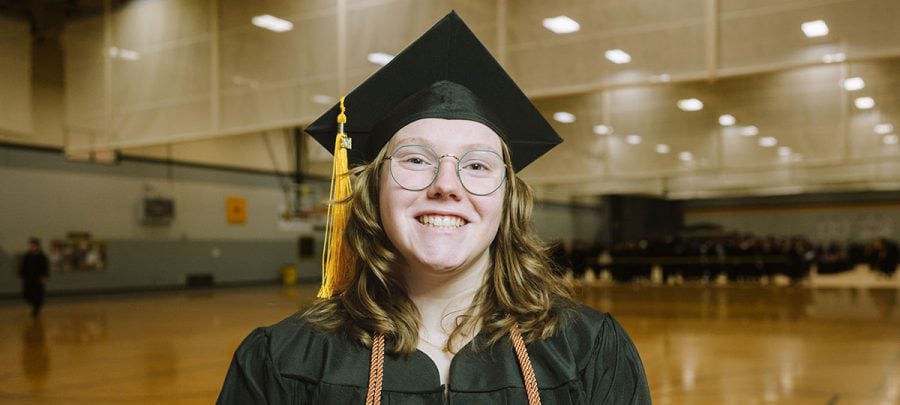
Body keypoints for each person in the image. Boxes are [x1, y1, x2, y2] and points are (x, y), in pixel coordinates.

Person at [218, 11, 650, 404]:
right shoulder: (282, 361)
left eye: (477, 165)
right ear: (374, 189)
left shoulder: (589, 351)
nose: (446, 186)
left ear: (507, 197)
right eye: (416, 160)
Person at [19, 237, 49, 317]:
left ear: (37, 246)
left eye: (32, 246)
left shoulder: (42, 256)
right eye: (30, 246)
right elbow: (23, 266)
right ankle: (34, 306)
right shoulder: (27, 255)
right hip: (28, 279)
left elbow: (45, 267)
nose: (31, 247)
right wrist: (22, 274)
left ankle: (36, 308)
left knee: (38, 295)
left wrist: (45, 276)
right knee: (27, 294)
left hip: (38, 279)